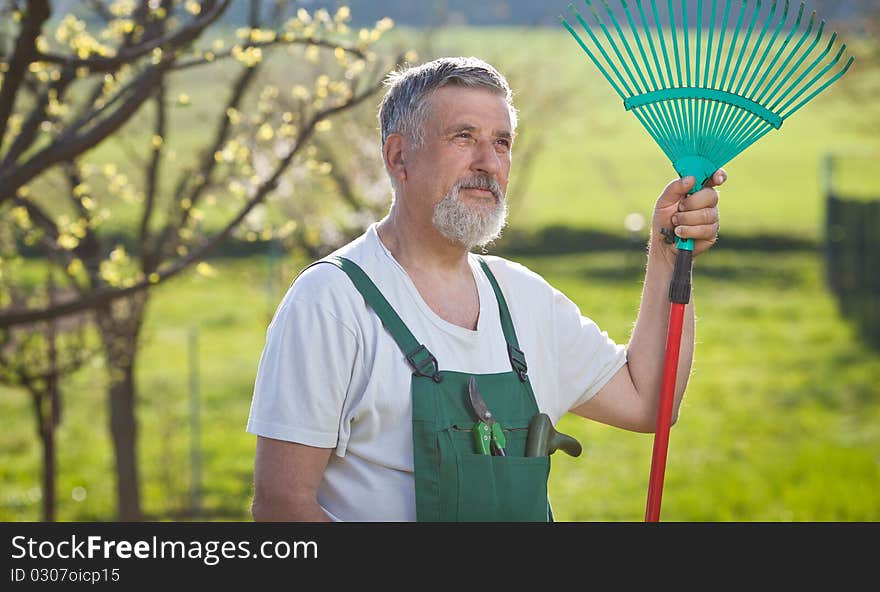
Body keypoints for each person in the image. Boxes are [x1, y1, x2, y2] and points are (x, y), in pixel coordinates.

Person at [247, 56, 722, 522]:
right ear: (398, 157)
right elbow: (281, 507)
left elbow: (648, 402)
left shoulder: (523, 298)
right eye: (463, 137)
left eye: (502, 142)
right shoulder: (331, 302)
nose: (488, 163)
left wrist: (666, 255)